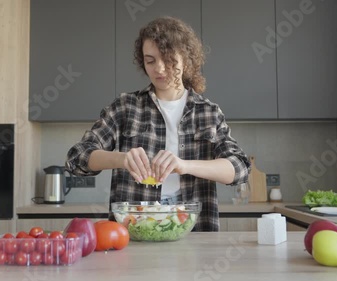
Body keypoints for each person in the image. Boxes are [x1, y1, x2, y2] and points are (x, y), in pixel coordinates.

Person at [65, 16, 250, 231]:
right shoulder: (126, 107)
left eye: (168, 59)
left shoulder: (208, 112)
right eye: (150, 60)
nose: (159, 68)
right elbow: (76, 157)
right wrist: (121, 159)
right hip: (134, 229)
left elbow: (239, 169)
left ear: (186, 59)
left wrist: (183, 165)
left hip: (193, 229)